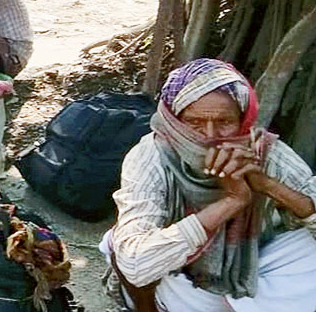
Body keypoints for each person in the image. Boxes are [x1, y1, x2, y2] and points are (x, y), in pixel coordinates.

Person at [101, 58, 316, 312]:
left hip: (258, 268)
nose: (210, 135)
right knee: (124, 244)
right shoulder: (152, 155)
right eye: (195, 122)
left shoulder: (264, 152)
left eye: (225, 122)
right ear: (174, 121)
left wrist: (267, 184)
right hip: (185, 275)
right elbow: (136, 264)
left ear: (244, 120)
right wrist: (231, 202)